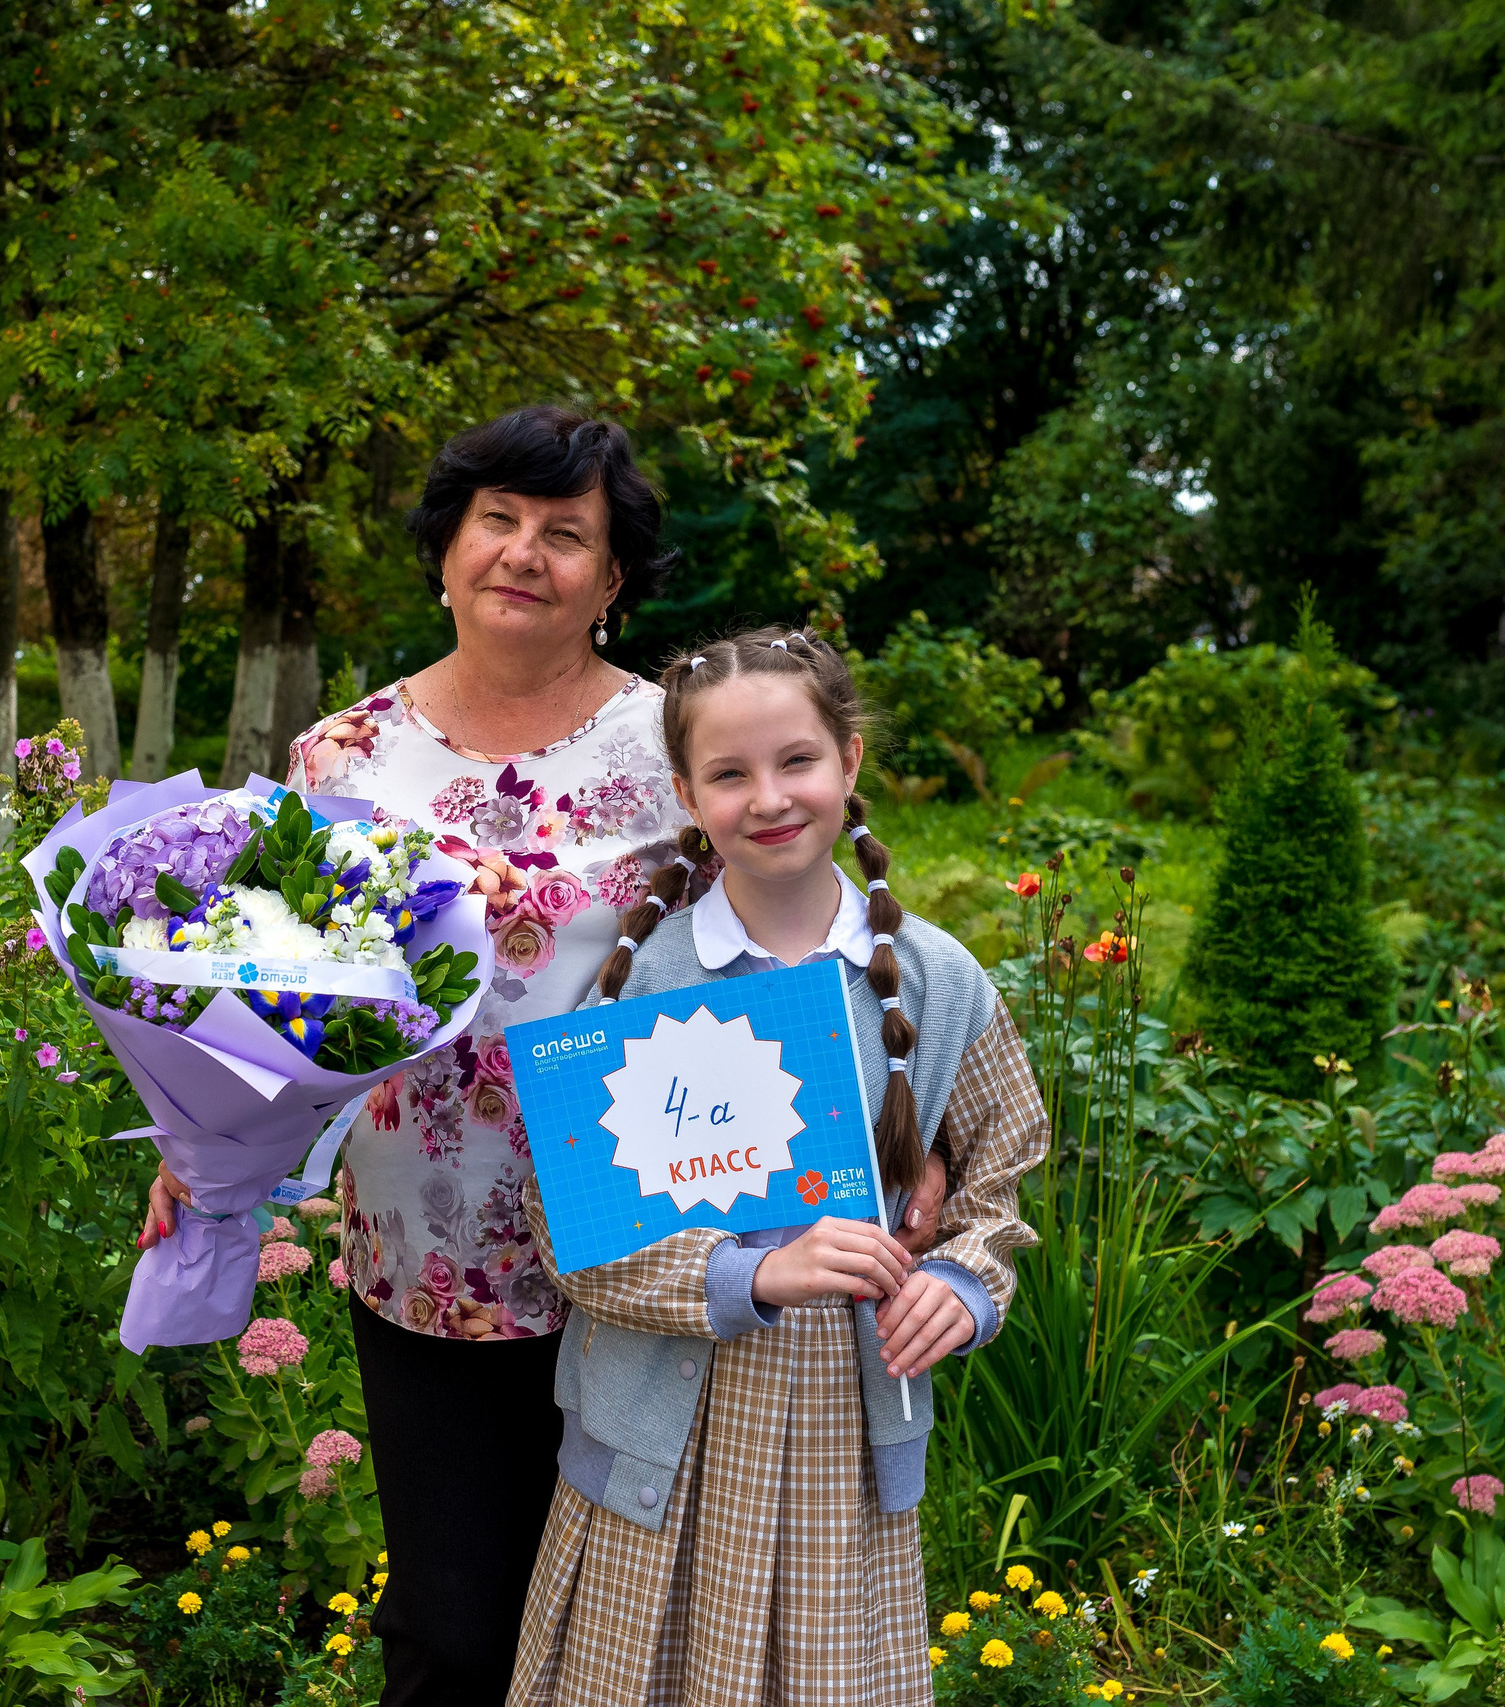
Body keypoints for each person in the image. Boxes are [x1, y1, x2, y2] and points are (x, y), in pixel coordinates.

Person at [137, 409, 953, 1704]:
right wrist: (205, 1145)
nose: (525, 552)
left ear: (613, 578)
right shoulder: (341, 753)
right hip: (430, 1247)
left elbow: (803, 930)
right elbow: (271, 993)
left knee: (647, 1623)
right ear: (447, 551)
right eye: (497, 521)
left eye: (566, 533)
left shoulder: (682, 743)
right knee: (454, 1631)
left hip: (667, 1231)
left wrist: (904, 1126)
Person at [507, 625, 1051, 1707]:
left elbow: (999, 1183)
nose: (768, 797)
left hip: (842, 1448)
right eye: (728, 773)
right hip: (659, 1453)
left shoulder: (939, 982)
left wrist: (959, 1285)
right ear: (685, 794)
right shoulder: (641, 983)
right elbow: (565, 1226)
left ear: (849, 762)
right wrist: (748, 1274)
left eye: (796, 760)